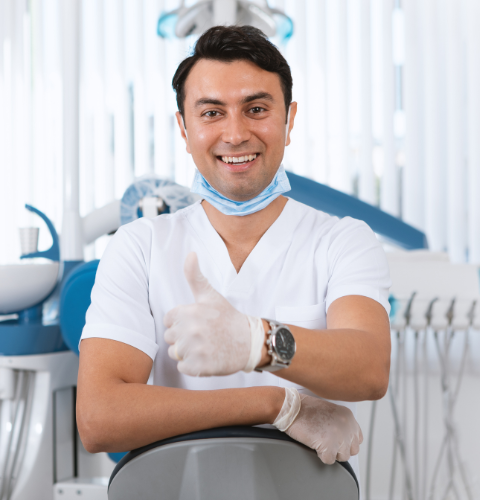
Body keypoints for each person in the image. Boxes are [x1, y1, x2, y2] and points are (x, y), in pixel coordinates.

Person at [77, 25, 392, 476]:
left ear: (289, 119)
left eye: (256, 109)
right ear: (184, 128)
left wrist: (254, 341)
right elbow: (99, 418)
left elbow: (369, 368)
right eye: (211, 113)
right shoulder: (140, 246)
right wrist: (277, 403)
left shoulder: (341, 241)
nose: (236, 133)